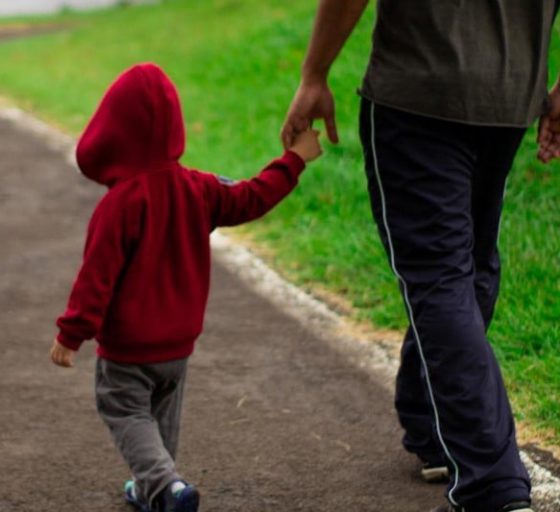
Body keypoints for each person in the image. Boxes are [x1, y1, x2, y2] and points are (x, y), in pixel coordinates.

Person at [281, 1, 560, 512]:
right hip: (509, 96)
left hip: (418, 90)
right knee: (470, 266)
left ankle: (491, 487)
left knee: (441, 278)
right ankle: (431, 425)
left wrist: (314, 74)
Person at [50, 62, 322, 512]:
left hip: (129, 349)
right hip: (178, 346)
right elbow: (253, 196)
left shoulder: (119, 204)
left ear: (113, 130)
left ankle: (166, 486)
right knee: (162, 417)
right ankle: (157, 491)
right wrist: (294, 159)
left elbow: (96, 278)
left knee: (124, 409)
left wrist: (70, 334)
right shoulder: (198, 188)